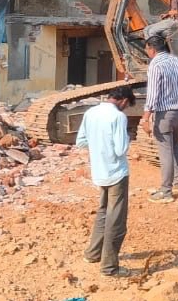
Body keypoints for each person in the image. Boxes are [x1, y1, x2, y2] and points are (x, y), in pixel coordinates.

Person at [75, 84, 136, 277]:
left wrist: (98, 146)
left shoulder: (91, 112)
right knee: (116, 220)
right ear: (124, 101)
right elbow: (120, 150)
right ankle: (109, 267)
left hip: (99, 172)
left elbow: (81, 142)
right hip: (116, 172)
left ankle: (92, 254)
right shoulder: (118, 117)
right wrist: (127, 137)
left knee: (103, 213)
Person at [140, 35, 178, 204]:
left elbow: (153, 94)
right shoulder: (177, 61)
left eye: (147, 49)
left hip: (164, 115)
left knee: (165, 152)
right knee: (174, 146)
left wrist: (145, 118)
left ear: (152, 49)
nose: (147, 52)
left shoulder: (155, 65)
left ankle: (166, 191)